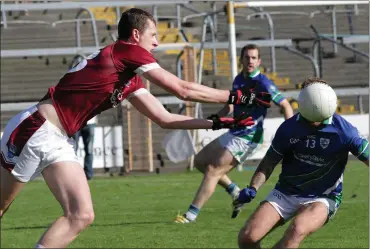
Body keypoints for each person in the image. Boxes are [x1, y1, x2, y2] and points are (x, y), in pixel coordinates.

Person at [0, 8, 272, 248]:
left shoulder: (128, 77)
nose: (156, 41)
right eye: (152, 34)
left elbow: (164, 118)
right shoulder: (125, 51)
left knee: (81, 215)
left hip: (59, 140)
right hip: (37, 130)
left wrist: (215, 122)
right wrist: (239, 96)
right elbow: (182, 90)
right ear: (135, 35)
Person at [234, 77, 369, 249]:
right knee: (247, 238)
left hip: (323, 197)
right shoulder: (289, 128)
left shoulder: (345, 131)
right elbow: (269, 162)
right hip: (285, 193)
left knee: (297, 230)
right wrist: (253, 188)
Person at [175, 44, 293, 224]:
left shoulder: (263, 83)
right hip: (234, 131)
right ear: (241, 60)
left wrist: (289, 134)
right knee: (200, 161)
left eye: (254, 58)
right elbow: (231, 105)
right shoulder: (238, 79)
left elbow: (285, 105)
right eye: (247, 57)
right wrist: (215, 120)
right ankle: (235, 192)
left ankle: (190, 216)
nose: (250, 61)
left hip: (248, 137)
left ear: (259, 61)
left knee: (213, 171)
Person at [73, 116, 97, 180]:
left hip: (89, 122)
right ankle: (72, 173)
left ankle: (88, 174)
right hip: (75, 122)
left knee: (89, 150)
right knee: (72, 150)